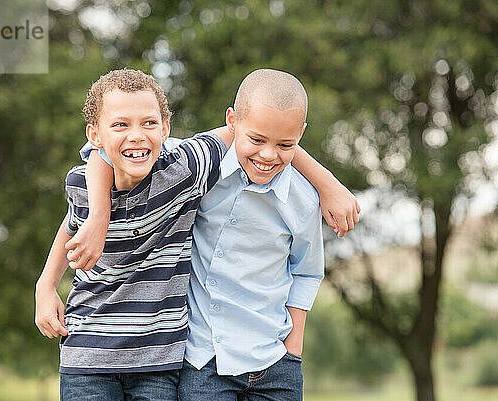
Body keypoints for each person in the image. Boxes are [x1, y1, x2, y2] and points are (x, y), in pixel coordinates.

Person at [70, 69, 360, 400]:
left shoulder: (303, 200)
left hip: (274, 361)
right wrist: (98, 217)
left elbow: (306, 271)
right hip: (202, 361)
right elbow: (103, 149)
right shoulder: (194, 170)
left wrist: (292, 352)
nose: (267, 155)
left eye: (285, 144)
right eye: (256, 140)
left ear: (300, 136)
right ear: (232, 122)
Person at [34, 68, 233, 401]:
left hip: (156, 362)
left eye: (149, 123)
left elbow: (248, 128)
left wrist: (327, 185)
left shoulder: (184, 172)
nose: (137, 135)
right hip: (87, 356)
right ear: (94, 135)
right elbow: (72, 225)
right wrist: (46, 285)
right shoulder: (80, 183)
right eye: (121, 124)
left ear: (166, 129)